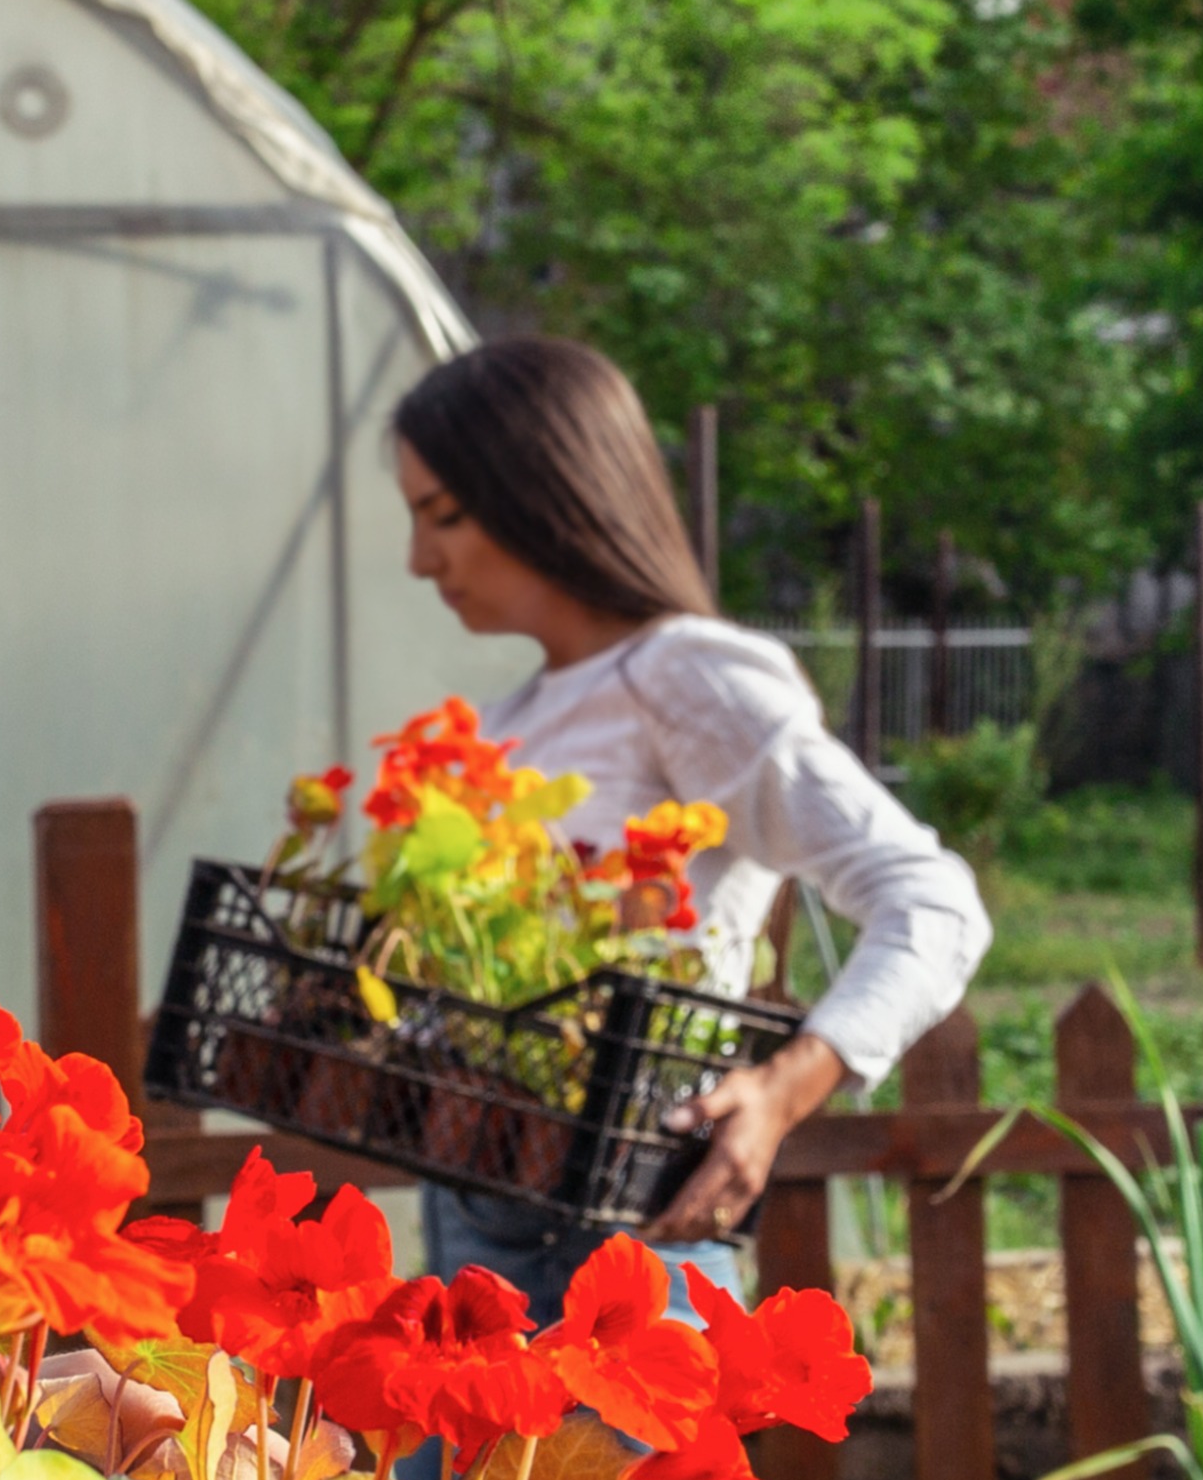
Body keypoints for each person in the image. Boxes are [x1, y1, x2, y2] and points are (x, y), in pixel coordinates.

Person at [388, 334, 990, 1314]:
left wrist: (783, 1089)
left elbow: (931, 902)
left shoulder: (683, 676)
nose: (420, 559)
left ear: (546, 492)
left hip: (627, 1252)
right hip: (472, 1252)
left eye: (443, 515)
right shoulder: (502, 724)